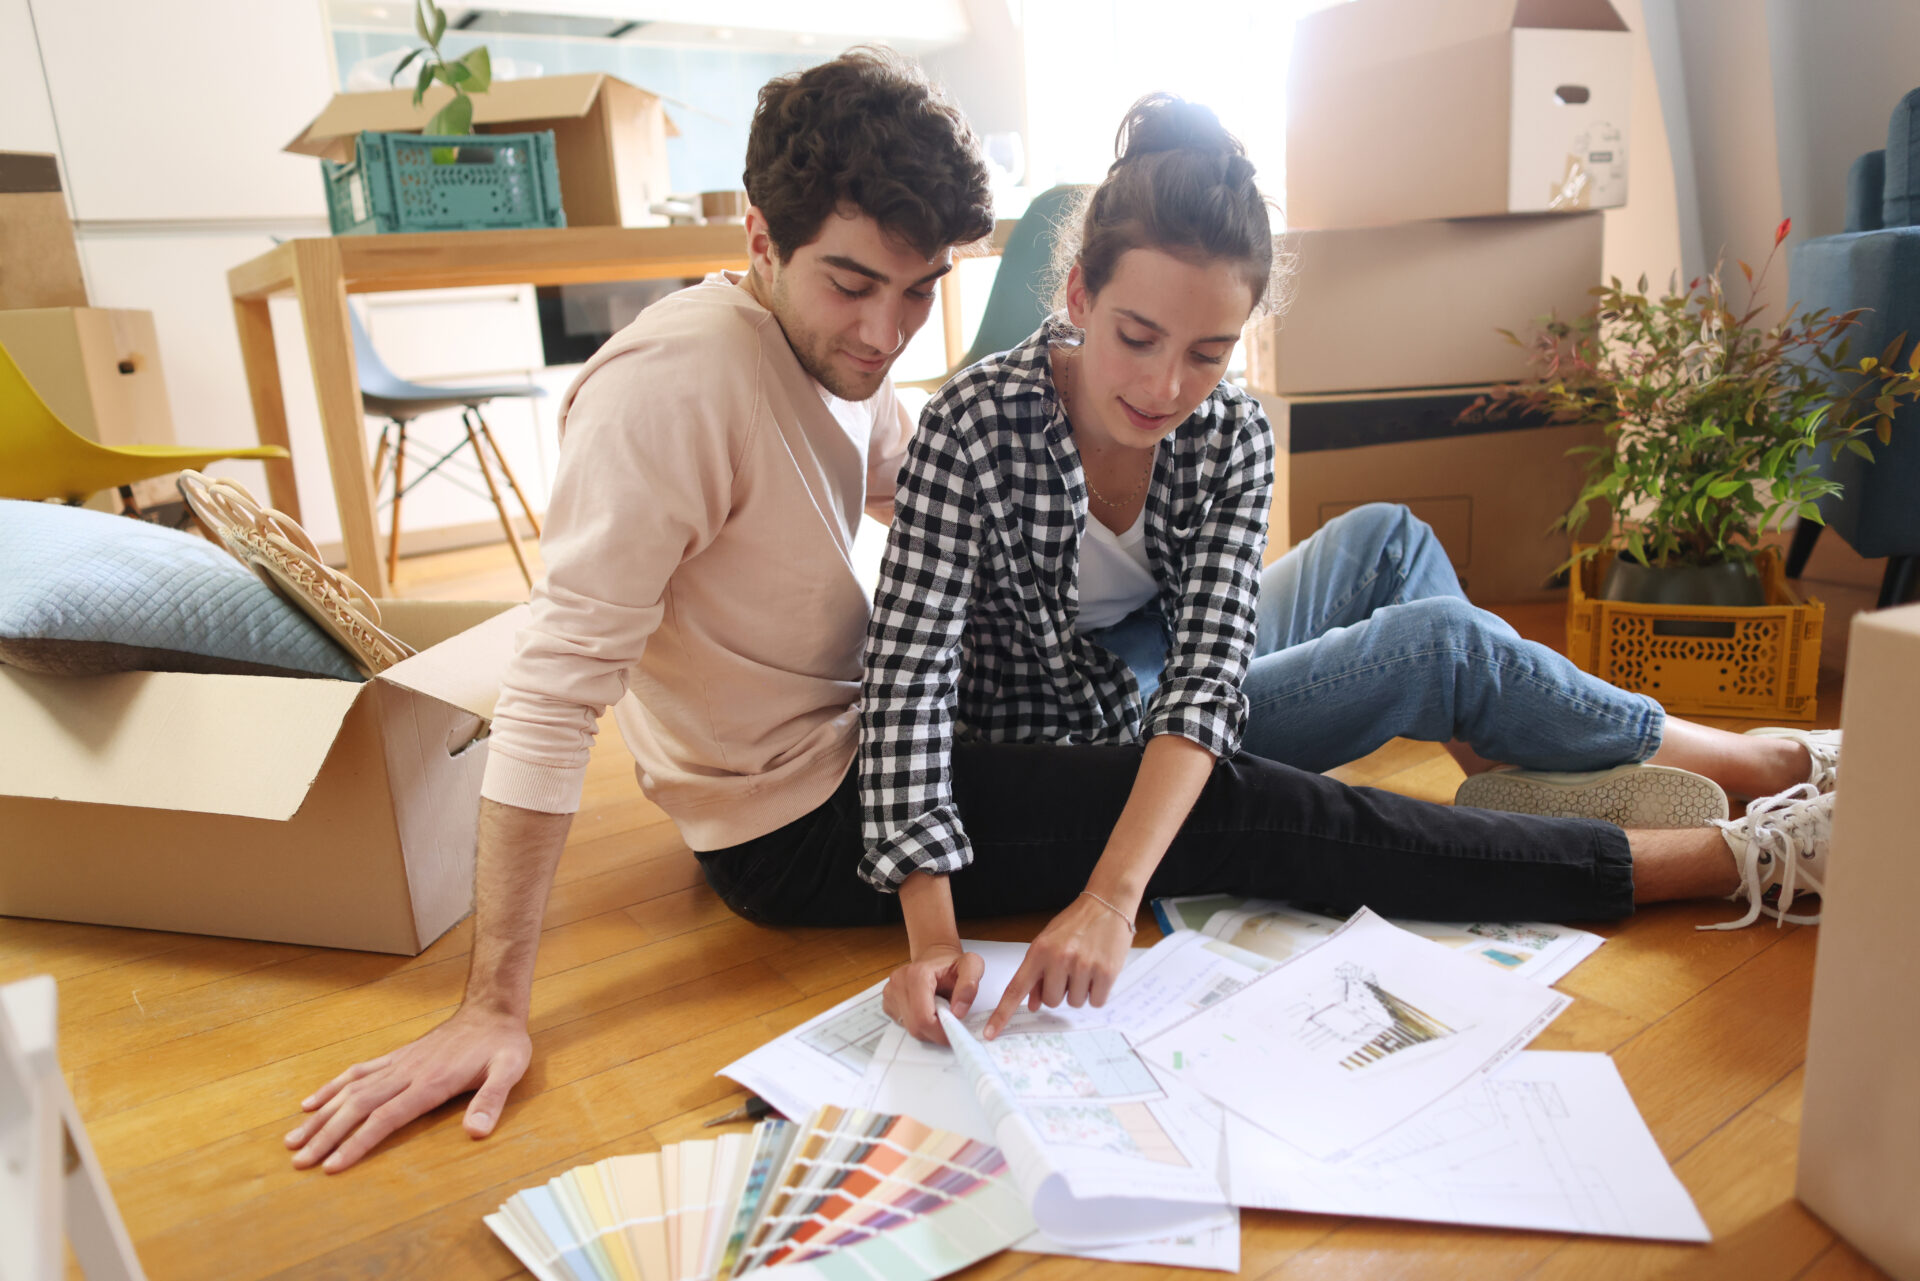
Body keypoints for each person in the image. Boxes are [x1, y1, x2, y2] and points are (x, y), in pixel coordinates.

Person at [284, 58, 1826, 1175]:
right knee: (1252, 804)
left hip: (1023, 693)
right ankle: (1712, 848)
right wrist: (489, 1006)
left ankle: (1522, 758)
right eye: (849, 286)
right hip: (811, 809)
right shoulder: (675, 391)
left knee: (1375, 569)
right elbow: (564, 695)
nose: (885, 332)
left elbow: (930, 498)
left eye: (916, 292)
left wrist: (998, 484)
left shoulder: (858, 380)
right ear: (757, 237)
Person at [856, 93, 1840, 1046]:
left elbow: (1208, 669)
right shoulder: (973, 425)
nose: (1164, 388)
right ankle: (1762, 763)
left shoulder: (1230, 430)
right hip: (1093, 733)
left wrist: (1114, 902)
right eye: (1136, 338)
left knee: (1387, 537)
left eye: (1209, 351)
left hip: (1160, 669)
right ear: (1080, 295)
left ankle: (1505, 770)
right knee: (1440, 644)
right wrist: (951, 935)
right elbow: (907, 687)